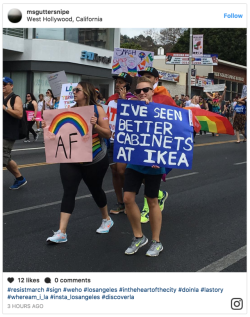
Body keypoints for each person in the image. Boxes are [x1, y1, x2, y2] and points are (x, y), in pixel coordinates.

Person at [46, 82, 112, 243]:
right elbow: (57, 133)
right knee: (69, 191)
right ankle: (62, 232)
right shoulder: (68, 110)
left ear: (87, 93)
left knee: (95, 190)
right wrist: (48, 129)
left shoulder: (98, 110)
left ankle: (106, 219)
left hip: (95, 158)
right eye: (73, 90)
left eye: (77, 90)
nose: (74, 92)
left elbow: (108, 134)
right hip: (71, 159)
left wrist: (95, 125)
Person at [123, 76, 165, 257]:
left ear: (152, 90)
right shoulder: (130, 109)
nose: (141, 93)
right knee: (127, 199)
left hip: (154, 163)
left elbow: (170, 136)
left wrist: (160, 158)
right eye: (138, 91)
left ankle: (156, 241)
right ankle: (138, 237)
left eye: (145, 90)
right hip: (135, 161)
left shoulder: (162, 111)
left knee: (152, 200)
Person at [106, 72, 134, 215]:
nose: (118, 85)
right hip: (110, 141)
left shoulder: (133, 100)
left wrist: (124, 101)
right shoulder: (111, 100)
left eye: (121, 82)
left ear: (128, 85)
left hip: (124, 142)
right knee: (115, 172)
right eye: (117, 82)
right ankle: (120, 203)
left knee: (122, 171)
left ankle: (128, 200)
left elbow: (132, 118)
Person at [3, 77, 27, 189]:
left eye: (4, 84)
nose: (2, 86)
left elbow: (19, 114)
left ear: (11, 85)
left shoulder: (15, 98)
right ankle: (20, 178)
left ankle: (20, 179)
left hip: (7, 134)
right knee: (5, 159)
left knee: (3, 158)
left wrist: (5, 108)